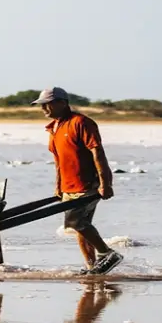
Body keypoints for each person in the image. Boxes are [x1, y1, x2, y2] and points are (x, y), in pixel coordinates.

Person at [30, 87, 123, 275]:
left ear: (62, 103)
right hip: (68, 185)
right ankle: (92, 267)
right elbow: (59, 160)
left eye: (47, 104)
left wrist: (106, 183)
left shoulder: (81, 123)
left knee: (75, 222)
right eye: (42, 105)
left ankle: (107, 253)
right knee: (81, 227)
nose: (43, 109)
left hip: (88, 183)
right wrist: (59, 185)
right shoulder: (54, 127)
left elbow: (97, 152)